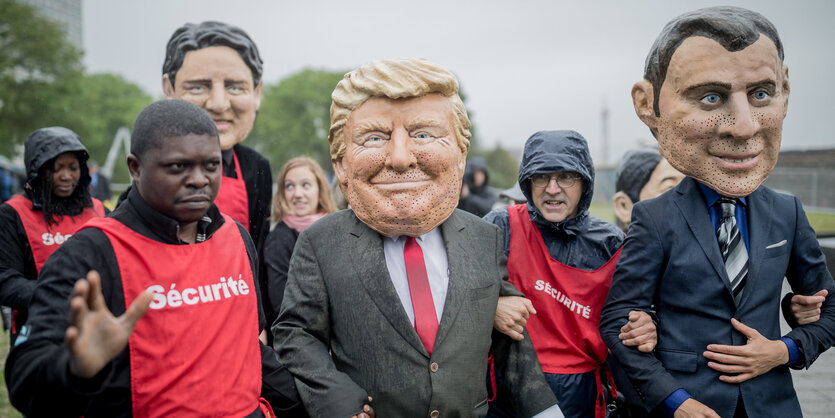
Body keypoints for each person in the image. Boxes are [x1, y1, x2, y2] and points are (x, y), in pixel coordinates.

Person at [273, 58, 560, 417]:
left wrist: (545, 410)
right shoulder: (322, 242)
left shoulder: (482, 238)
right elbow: (295, 333)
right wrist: (336, 400)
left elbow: (509, 337)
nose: (399, 158)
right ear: (341, 161)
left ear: (460, 155)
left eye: (423, 134)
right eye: (374, 137)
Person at [600, 7, 835, 417]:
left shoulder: (787, 212)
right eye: (711, 97)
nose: (742, 126)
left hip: (772, 404)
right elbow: (618, 320)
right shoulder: (656, 217)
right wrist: (676, 401)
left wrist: (784, 349)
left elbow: (829, 308)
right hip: (691, 402)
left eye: (761, 93)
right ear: (648, 104)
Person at [5, 100, 304, 417]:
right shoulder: (91, 252)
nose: (199, 179)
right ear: (135, 167)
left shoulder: (235, 236)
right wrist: (74, 368)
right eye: (178, 166)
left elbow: (250, 349)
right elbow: (24, 377)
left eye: (211, 166)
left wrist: (314, 404)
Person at [485, 131, 625, 418]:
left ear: (584, 183)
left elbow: (634, 311)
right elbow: (453, 288)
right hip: (508, 384)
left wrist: (647, 321)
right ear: (527, 181)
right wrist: (491, 305)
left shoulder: (611, 241)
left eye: (566, 177)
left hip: (581, 390)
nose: (552, 189)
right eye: (541, 177)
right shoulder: (502, 225)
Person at [162, 21, 272, 252]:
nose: (219, 104)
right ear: (169, 91)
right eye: (198, 88)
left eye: (234, 88)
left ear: (257, 93)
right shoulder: (156, 164)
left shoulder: (256, 166)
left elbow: (259, 247)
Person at [0, 127, 106, 346]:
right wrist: (59, 295)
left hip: (95, 328)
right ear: (38, 171)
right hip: (39, 329)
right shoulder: (12, 214)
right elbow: (6, 281)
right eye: (57, 169)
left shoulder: (99, 210)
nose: (66, 176)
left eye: (73, 168)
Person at [262, 156, 336, 343]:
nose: (297, 193)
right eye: (289, 186)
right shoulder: (279, 239)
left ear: (319, 189)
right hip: (302, 338)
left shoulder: (338, 229)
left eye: (305, 185)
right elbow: (281, 303)